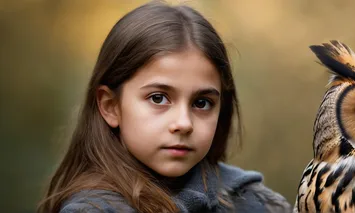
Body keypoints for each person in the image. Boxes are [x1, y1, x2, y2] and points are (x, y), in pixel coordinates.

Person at [37, 1, 291, 212]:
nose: (183, 123)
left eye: (202, 103)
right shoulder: (91, 209)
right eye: (158, 98)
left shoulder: (254, 201)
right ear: (110, 106)